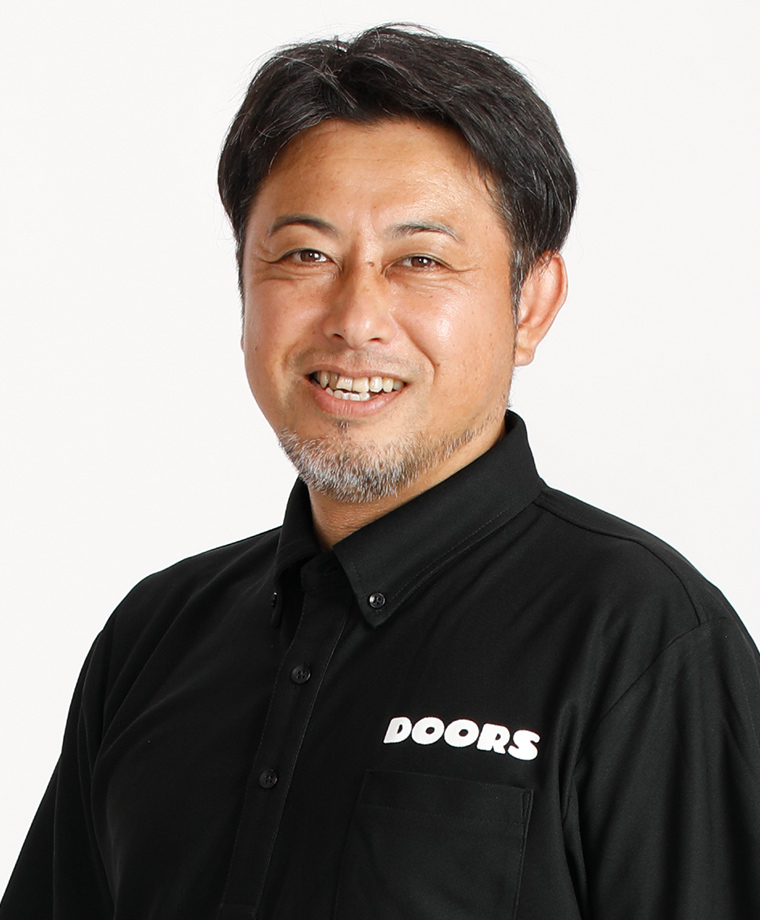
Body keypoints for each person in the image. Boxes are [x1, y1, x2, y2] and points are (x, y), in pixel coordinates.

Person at [2, 23, 759, 920]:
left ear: (532, 303)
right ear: (242, 285)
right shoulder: (154, 639)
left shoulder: (645, 641)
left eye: (421, 261)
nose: (356, 317)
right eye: (305, 255)